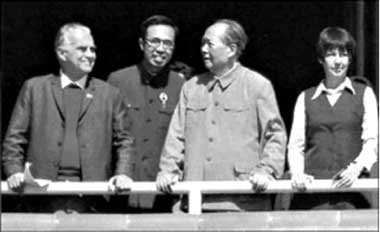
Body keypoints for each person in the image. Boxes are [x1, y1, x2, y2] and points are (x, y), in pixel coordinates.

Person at [156, 19, 287, 212]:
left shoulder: (257, 85)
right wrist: (167, 171)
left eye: (209, 44)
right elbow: (176, 136)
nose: (203, 49)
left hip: (242, 203)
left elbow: (275, 136)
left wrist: (266, 171)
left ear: (231, 49)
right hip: (194, 201)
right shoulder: (191, 88)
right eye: (202, 43)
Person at [2, 22, 134, 213]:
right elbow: (14, 139)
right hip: (41, 196)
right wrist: (14, 171)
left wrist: (123, 173)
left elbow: (125, 141)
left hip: (92, 198)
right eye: (82, 49)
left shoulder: (110, 94)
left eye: (93, 49)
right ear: (62, 53)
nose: (90, 55)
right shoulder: (34, 89)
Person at [107, 15, 192, 212]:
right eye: (154, 41)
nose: (161, 49)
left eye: (168, 43)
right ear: (141, 44)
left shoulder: (181, 86)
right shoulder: (118, 81)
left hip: (163, 191)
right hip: (122, 189)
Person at [287, 27, 378, 209]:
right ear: (321, 59)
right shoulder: (305, 98)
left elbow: (372, 141)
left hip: (354, 192)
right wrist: (298, 174)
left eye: (343, 55)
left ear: (350, 59)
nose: (338, 61)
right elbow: (296, 145)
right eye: (331, 55)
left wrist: (356, 168)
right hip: (313, 194)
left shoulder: (365, 94)